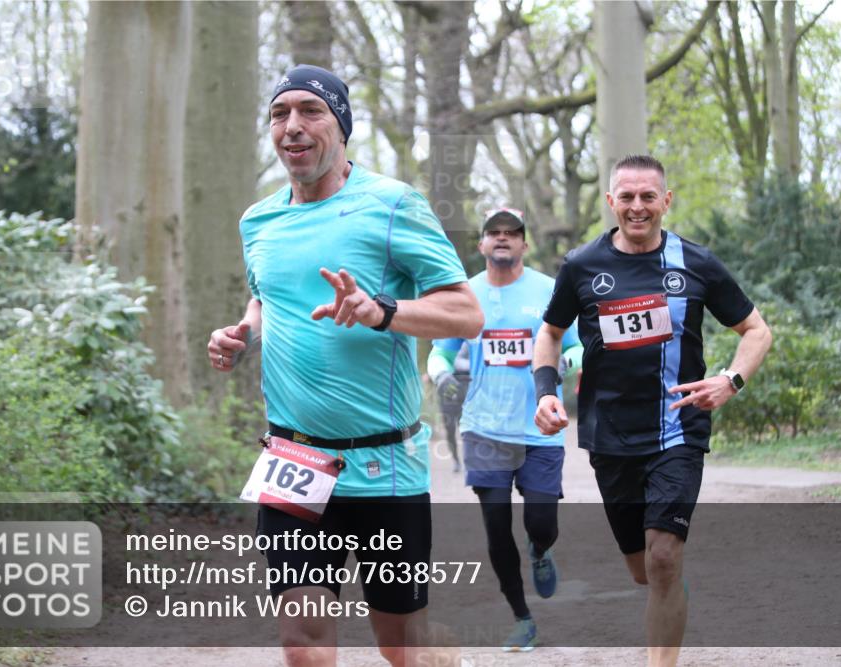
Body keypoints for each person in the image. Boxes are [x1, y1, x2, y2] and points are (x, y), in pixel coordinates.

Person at [207, 64, 483, 667]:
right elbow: (267, 295)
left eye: (311, 111)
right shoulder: (258, 220)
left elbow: (466, 314)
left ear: (341, 126)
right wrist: (243, 331)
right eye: (280, 114)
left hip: (385, 465)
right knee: (303, 643)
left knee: (402, 646)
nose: (293, 126)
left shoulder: (393, 205)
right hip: (293, 460)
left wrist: (382, 311)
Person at [532, 155, 772, 667]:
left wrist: (730, 380)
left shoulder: (696, 262)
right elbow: (550, 333)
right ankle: (669, 587)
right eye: (627, 196)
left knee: (662, 558)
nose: (637, 207)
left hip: (678, 429)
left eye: (648, 196)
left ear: (666, 200)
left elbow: (756, 330)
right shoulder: (581, 265)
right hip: (610, 436)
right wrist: (545, 391)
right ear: (610, 201)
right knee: (644, 570)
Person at [428, 208, 582, 652]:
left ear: (524, 244)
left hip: (541, 425)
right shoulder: (465, 294)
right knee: (496, 529)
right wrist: (441, 375)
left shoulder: (548, 290)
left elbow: (578, 346)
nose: (502, 238)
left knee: (541, 522)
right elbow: (440, 352)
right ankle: (522, 618)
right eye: (493, 232)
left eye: (511, 233)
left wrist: (563, 363)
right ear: (481, 244)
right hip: (484, 429)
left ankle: (541, 550)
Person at [433, 341, 470, 473]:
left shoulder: (469, 346)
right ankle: (456, 460)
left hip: (463, 392)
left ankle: (467, 460)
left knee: (465, 430)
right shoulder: (442, 347)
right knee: (450, 431)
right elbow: (435, 364)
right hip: (447, 395)